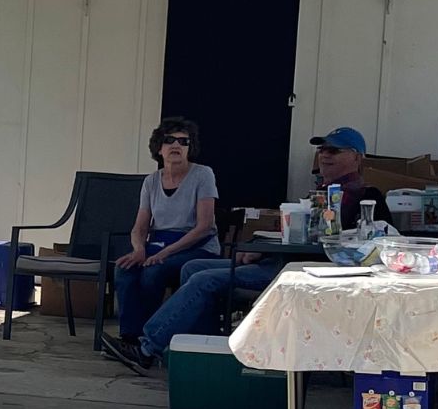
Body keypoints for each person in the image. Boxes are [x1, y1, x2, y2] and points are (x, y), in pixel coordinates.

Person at [101, 125, 385, 374]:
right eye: (323, 149)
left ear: (356, 158)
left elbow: (325, 242)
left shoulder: (356, 196)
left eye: (334, 151)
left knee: (201, 278)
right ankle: (199, 348)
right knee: (192, 269)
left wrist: (266, 248)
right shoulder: (324, 190)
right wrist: (262, 246)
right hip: (277, 260)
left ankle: (147, 349)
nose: (325, 155)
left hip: (298, 270)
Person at [109, 117, 222, 343]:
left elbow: (204, 226)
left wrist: (165, 253)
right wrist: (139, 249)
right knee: (125, 269)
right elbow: (139, 227)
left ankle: (150, 337)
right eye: (169, 140)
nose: (176, 145)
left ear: (191, 148)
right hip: (158, 245)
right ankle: (129, 337)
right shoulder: (151, 181)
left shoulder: (203, 174)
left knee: (154, 272)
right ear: (159, 148)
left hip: (196, 247)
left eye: (183, 141)